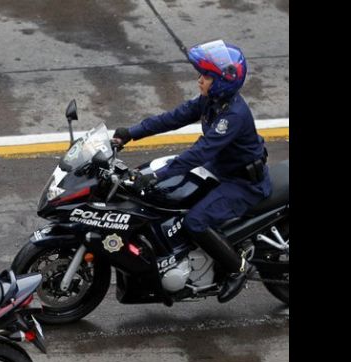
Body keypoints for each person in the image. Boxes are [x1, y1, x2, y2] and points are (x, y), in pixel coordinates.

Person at [112, 39, 271, 303]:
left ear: (222, 82)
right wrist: (131, 133)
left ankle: (238, 269)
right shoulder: (212, 101)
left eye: (206, 76)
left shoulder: (233, 115)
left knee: (195, 221)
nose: (199, 80)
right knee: (168, 198)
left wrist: (156, 176)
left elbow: (200, 152)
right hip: (220, 170)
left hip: (243, 184)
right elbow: (175, 117)